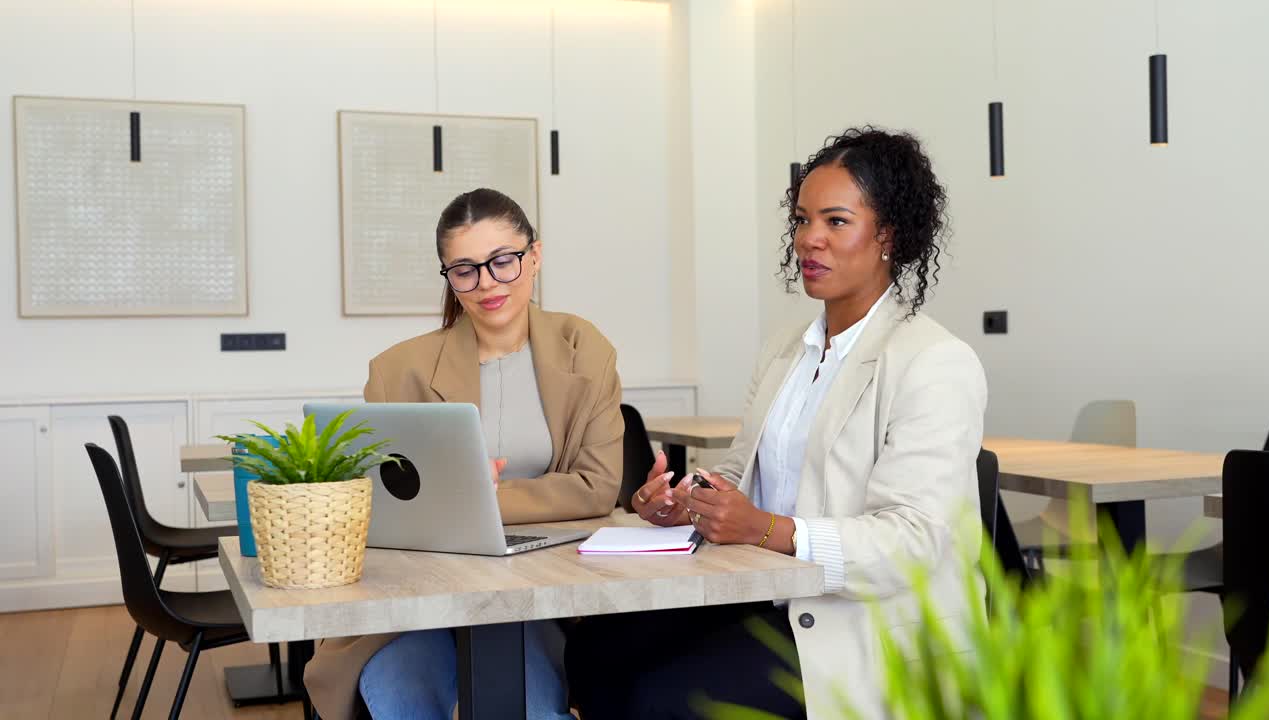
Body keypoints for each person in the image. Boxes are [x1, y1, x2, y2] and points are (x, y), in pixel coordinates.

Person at [565, 127, 988, 720]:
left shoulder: (934, 362)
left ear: (887, 234)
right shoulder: (786, 349)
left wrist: (765, 528)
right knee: (593, 652)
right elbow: (743, 470)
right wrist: (686, 500)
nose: (809, 239)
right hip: (768, 592)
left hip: (866, 625)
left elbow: (912, 542)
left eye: (836, 222)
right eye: (802, 219)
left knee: (654, 696)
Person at [304, 188, 625, 720]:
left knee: (532, 709)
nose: (487, 284)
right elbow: (378, 508)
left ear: (535, 256)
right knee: (402, 700)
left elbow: (597, 487)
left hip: (537, 596)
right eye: (465, 270)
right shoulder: (396, 370)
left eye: (503, 261)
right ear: (449, 276)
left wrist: (479, 500)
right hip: (416, 602)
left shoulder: (584, 347)